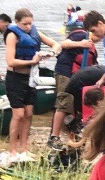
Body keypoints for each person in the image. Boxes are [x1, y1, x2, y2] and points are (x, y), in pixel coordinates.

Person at [1, 8, 61, 166]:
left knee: (28, 113)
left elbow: (56, 44)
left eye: (30, 23)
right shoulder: (12, 35)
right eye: (24, 24)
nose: (28, 27)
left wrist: (50, 53)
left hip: (31, 78)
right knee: (18, 115)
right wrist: (32, 61)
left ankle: (24, 149)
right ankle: (12, 150)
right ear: (17, 22)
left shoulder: (35, 32)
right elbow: (10, 61)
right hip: (15, 78)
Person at [47, 28, 99, 151]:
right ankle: (54, 136)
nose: (99, 39)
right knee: (64, 103)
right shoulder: (82, 35)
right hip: (66, 72)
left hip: (78, 77)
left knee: (75, 107)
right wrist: (81, 43)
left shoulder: (93, 49)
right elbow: (63, 44)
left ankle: (73, 136)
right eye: (98, 36)